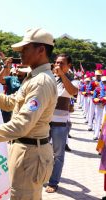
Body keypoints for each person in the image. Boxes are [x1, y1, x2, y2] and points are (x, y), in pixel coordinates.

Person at [0, 28, 57, 199]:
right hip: (27, 150)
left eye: (25, 49)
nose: (20, 54)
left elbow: (20, 126)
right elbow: (11, 102)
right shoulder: (34, 77)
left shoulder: (40, 82)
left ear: (41, 50)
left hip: (29, 153)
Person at [45, 53, 78, 193]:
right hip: (45, 122)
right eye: (56, 62)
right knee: (40, 151)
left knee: (58, 155)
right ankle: (41, 176)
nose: (58, 65)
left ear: (69, 65)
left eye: (62, 63)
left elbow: (73, 91)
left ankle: (53, 182)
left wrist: (62, 76)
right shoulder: (50, 78)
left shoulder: (73, 79)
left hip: (60, 124)